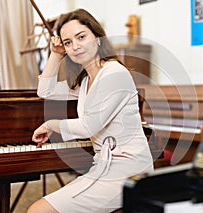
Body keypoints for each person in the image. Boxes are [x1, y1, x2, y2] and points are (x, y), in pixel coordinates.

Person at [27, 8, 154, 213]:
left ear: (98, 37)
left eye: (81, 37)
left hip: (128, 171)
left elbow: (89, 126)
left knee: (38, 210)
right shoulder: (84, 81)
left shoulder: (113, 72)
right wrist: (56, 54)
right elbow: (45, 91)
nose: (75, 46)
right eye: (68, 42)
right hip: (102, 168)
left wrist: (51, 125)